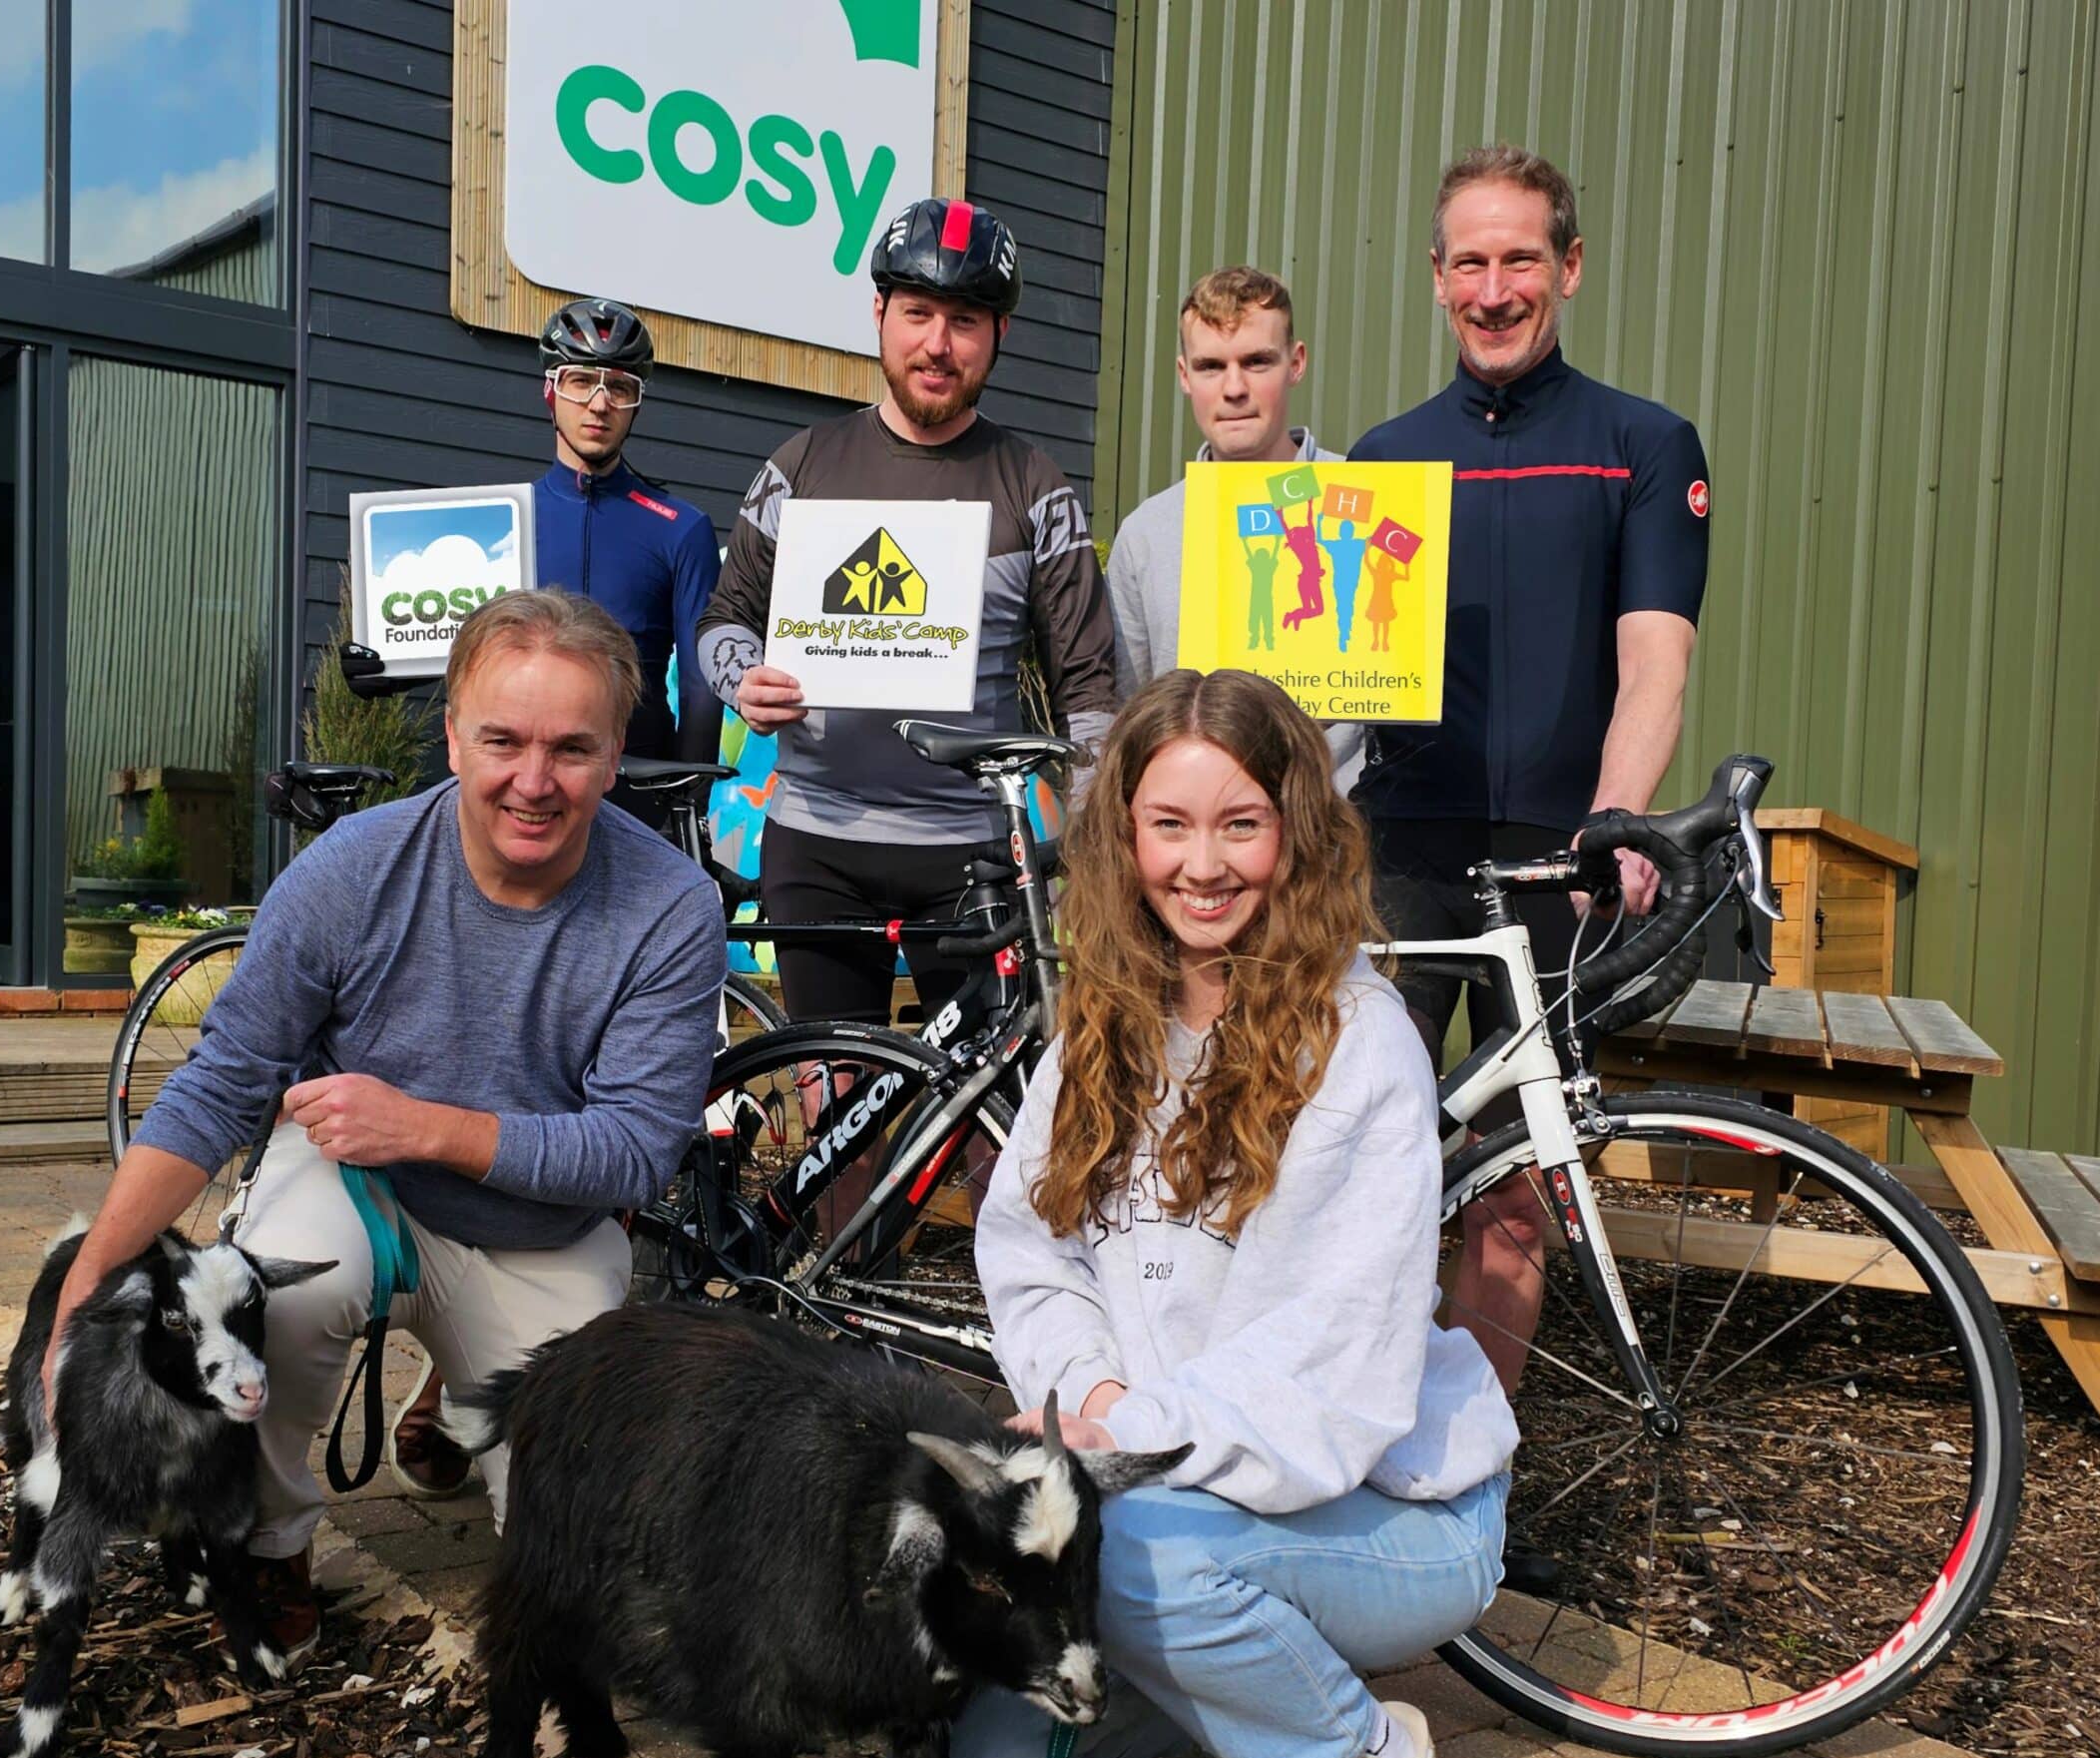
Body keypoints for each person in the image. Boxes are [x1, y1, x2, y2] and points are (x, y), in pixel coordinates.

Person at [923, 668, 1515, 1758]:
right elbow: (1032, 1245)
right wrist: (1081, 1391)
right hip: (1160, 1474)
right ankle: (1173, 1679)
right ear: (1124, 836)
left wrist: (1117, 1437)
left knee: (1124, 1552)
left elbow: (1334, 1358)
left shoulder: (1361, 1039)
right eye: (1170, 824)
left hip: (1393, 1501)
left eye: (1239, 822)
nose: (1203, 864)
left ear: (1297, 830)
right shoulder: (1104, 1019)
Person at [43, 588, 727, 1661]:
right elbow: (219, 1083)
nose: (532, 782)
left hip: (541, 1229)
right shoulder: (352, 868)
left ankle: (468, 1396)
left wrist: (427, 1125)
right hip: (354, 1185)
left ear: (614, 753)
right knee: (272, 1297)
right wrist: (86, 1289)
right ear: (452, 733)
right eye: (501, 739)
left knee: (592, 1585)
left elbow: (638, 1147)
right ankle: (271, 1545)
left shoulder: (672, 907)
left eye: (571, 749)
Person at [1345, 145, 1709, 1399]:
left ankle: (1471, 1484)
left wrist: (1614, 819)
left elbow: (1653, 663)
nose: (1493, 289)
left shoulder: (1645, 445)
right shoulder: (1375, 457)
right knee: (1354, 1180)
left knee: (1509, 1199)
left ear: (1568, 266)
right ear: (1436, 278)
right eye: (1468, 262)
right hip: (1396, 859)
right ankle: (1347, 1452)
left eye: (1518, 259)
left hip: (1554, 866)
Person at [697, 196, 1119, 1027]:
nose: (937, 343)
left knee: (987, 1113)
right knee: (837, 1110)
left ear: (1000, 333)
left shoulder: (1036, 488)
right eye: (918, 312)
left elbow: (1090, 688)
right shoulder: (800, 467)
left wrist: (1098, 854)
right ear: (879, 313)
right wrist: (746, 682)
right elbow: (724, 622)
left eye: (965, 320)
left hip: (973, 854)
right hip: (815, 842)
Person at [1103, 266, 1362, 793]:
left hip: (1345, 835)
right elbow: (1128, 713)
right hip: (1200, 844)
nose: (1235, 388)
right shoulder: (1146, 535)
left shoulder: (1367, 501)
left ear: (1297, 363)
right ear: (1183, 375)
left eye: (1257, 361)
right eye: (1211, 366)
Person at [529, 298, 727, 826]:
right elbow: (458, 657)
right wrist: (385, 674)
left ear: (636, 403)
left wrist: (691, 809)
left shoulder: (681, 528)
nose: (599, 403)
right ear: (550, 389)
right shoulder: (502, 519)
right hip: (525, 787)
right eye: (580, 381)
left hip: (640, 794)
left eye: (619, 387)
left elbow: (701, 685)